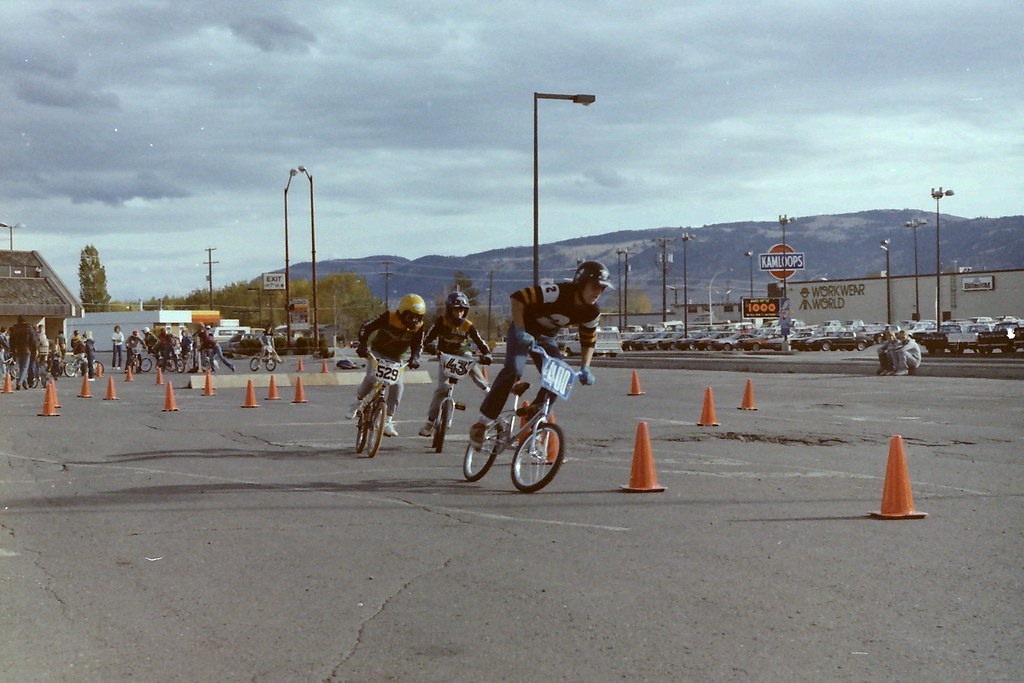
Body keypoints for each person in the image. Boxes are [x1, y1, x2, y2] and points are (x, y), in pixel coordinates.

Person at [469, 260, 612, 447]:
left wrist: (586, 367)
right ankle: (483, 421)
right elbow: (518, 298)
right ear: (581, 282)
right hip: (523, 329)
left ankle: (536, 418)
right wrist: (520, 330)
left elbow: (588, 340)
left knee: (560, 376)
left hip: (546, 338)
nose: (598, 293)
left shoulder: (591, 312)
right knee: (514, 370)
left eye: (602, 289)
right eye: (594, 286)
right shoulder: (558, 292)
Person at [344, 293, 426, 437]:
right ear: (402, 312)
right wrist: (362, 345)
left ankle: (388, 420)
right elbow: (366, 327)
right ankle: (356, 403)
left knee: (398, 386)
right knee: (371, 378)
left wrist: (415, 358)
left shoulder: (419, 328)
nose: (413, 321)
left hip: (397, 358)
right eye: (410, 316)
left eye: (417, 317)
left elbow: (418, 345)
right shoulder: (389, 316)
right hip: (377, 353)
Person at [418, 291, 492, 437]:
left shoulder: (468, 326)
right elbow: (428, 339)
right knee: (441, 389)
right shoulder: (441, 321)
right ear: (449, 309)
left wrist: (487, 354)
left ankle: (485, 389)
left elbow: (480, 343)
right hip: (445, 356)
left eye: (462, 310)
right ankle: (430, 423)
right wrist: (430, 346)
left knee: (469, 360)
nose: (459, 313)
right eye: (456, 309)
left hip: (461, 353)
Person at [8, 316, 37, 390]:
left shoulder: (15, 328)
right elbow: (33, 339)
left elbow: (11, 340)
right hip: (26, 349)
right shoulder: (28, 327)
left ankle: (24, 383)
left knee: (21, 367)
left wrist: (12, 350)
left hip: (18, 349)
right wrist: (35, 349)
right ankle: (19, 382)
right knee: (25, 367)